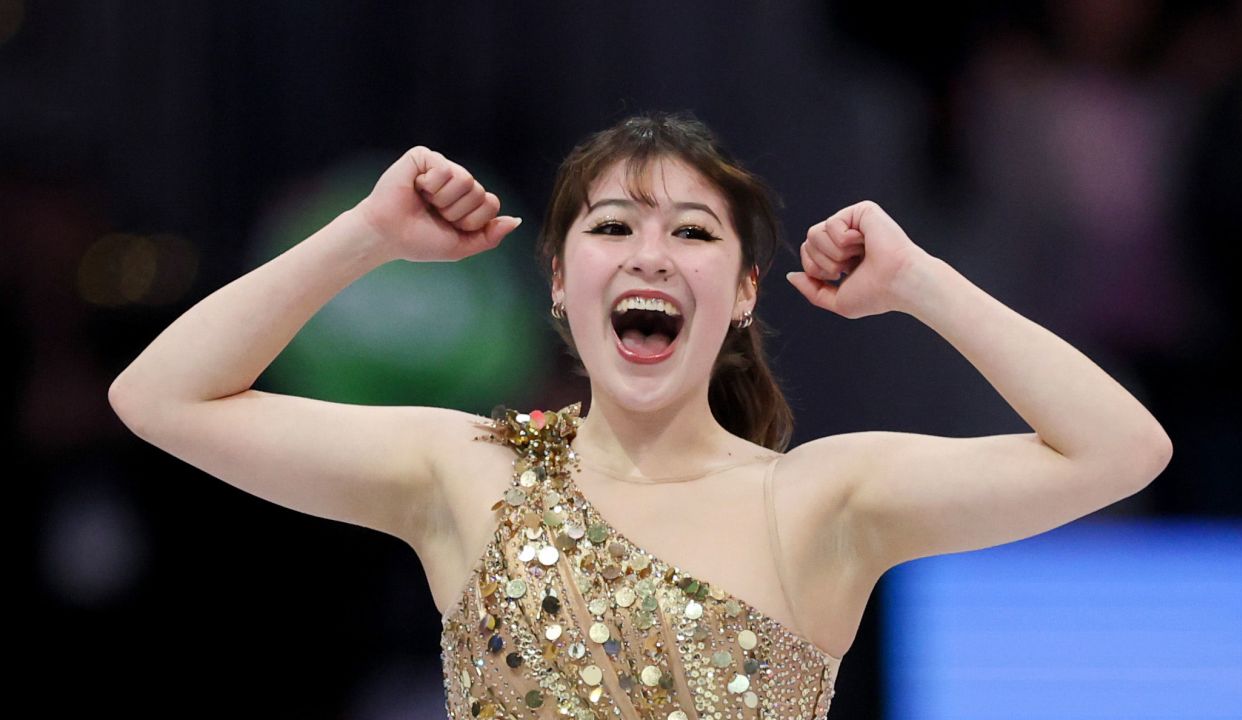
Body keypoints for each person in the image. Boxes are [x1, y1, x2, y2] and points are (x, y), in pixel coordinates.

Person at [108, 110, 1172, 719]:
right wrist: (365, 236)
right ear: (558, 282)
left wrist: (920, 283)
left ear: (744, 293)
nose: (651, 254)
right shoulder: (464, 471)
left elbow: (1122, 448)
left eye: (693, 233)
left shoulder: (821, 499)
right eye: (613, 226)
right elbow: (159, 397)